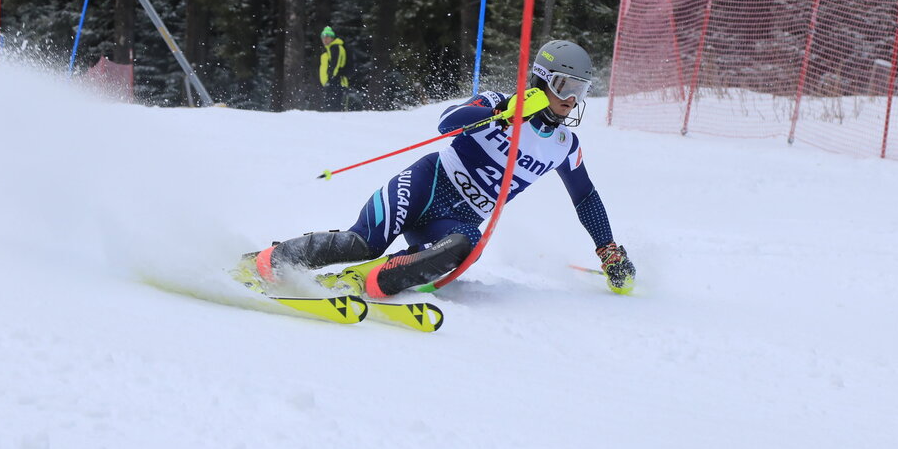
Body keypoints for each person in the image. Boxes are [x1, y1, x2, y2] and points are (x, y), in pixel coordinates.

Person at [251, 38, 637, 298]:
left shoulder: (564, 146)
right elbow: (447, 123)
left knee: (468, 246)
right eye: (566, 86)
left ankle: (374, 280)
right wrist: (500, 115)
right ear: (543, 79)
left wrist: (608, 249)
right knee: (362, 242)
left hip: (459, 218)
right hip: (428, 183)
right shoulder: (497, 102)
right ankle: (268, 261)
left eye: (581, 91)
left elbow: (585, 196)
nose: (572, 100)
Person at [319, 25, 349, 111]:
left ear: (332, 38)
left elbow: (335, 64)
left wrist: (330, 79)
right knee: (330, 108)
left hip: (336, 82)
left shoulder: (335, 47)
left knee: (335, 109)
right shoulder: (329, 49)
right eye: (323, 37)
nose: (325, 39)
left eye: (327, 37)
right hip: (331, 83)